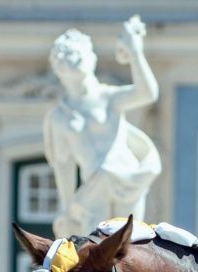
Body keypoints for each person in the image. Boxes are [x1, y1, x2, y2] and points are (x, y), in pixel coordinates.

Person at [44, 17, 161, 237]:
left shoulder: (108, 97)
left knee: (130, 243)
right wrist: (66, 208)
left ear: (92, 59)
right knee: (97, 247)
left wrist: (135, 53)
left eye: (79, 54)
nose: (74, 59)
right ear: (57, 67)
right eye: (67, 55)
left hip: (125, 179)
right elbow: (64, 165)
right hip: (94, 187)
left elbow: (147, 93)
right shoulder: (59, 116)